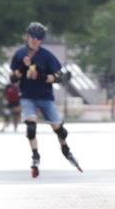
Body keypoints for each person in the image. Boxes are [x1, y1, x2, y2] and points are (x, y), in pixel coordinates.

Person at [10, 22, 81, 177]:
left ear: (41, 40)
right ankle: (35, 156)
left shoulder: (47, 56)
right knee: (31, 126)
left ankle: (65, 150)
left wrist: (40, 76)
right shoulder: (20, 55)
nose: (34, 40)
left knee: (60, 130)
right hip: (27, 96)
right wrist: (22, 68)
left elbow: (58, 77)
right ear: (27, 36)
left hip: (45, 97)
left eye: (38, 38)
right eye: (32, 36)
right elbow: (13, 78)